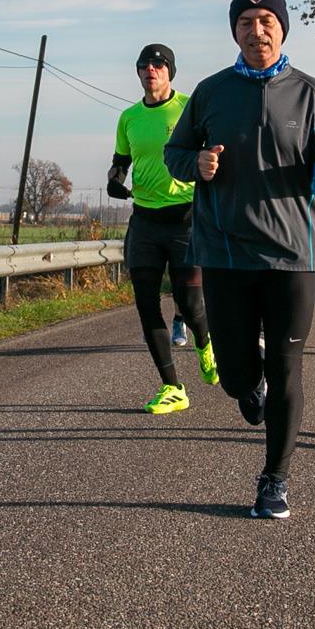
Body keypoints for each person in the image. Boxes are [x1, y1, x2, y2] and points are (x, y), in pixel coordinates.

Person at [163, 0, 315, 519]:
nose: (257, 31)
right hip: (225, 251)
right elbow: (174, 153)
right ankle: (249, 387)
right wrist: (196, 163)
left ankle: (275, 479)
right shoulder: (211, 92)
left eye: (267, 20)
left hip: (293, 254)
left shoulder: (312, 93)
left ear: (282, 29)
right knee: (234, 374)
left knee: (287, 366)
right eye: (246, 22)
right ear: (235, 32)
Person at [107, 43, 216, 414]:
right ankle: (172, 387)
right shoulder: (129, 117)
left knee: (190, 303)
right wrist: (114, 178)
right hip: (144, 221)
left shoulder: (188, 107)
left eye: (158, 64)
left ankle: (205, 343)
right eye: (144, 65)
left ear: (170, 71)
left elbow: (211, 152)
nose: (150, 70)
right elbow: (121, 160)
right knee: (145, 304)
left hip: (186, 219)